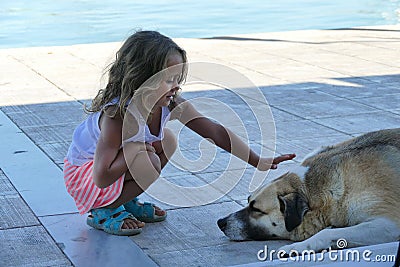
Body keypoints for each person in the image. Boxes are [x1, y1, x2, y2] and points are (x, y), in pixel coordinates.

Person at [63, 30, 296, 236]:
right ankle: (104, 209)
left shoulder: (170, 103)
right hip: (85, 179)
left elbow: (213, 131)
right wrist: (134, 150)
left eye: (178, 79)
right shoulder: (118, 117)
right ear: (141, 78)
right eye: (168, 80)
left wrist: (257, 160)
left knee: (168, 141)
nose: (176, 86)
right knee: (147, 156)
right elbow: (101, 177)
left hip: (109, 172)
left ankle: (124, 200)